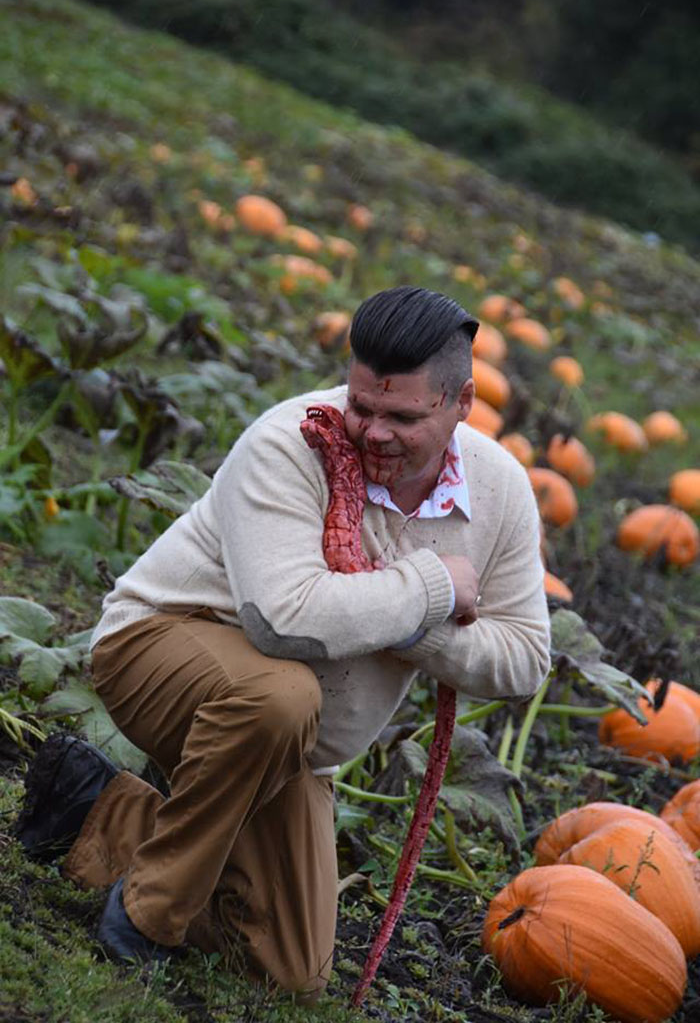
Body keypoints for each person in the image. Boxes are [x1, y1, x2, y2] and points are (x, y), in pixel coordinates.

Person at [16, 285, 550, 1000]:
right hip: (162, 649)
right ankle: (147, 915)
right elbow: (283, 620)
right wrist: (425, 592)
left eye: (402, 416)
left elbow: (524, 657)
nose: (373, 432)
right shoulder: (291, 441)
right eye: (362, 405)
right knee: (281, 692)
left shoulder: (501, 490)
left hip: (297, 746)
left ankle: (94, 809)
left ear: (462, 403)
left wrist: (403, 620)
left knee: (291, 968)